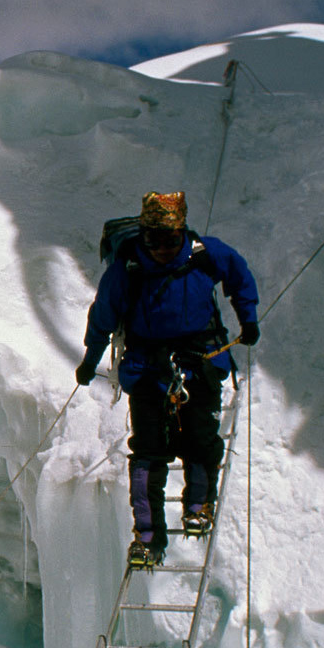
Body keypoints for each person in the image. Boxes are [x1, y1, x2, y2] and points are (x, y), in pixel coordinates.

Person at [75, 191, 259, 567]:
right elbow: (102, 318)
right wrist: (90, 359)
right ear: (143, 236)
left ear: (182, 234)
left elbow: (239, 278)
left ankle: (197, 506)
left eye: (170, 241)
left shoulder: (206, 254)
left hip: (198, 363)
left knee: (199, 440)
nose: (161, 249)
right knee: (148, 452)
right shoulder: (127, 268)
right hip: (147, 369)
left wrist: (248, 318)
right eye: (154, 240)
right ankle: (147, 536)